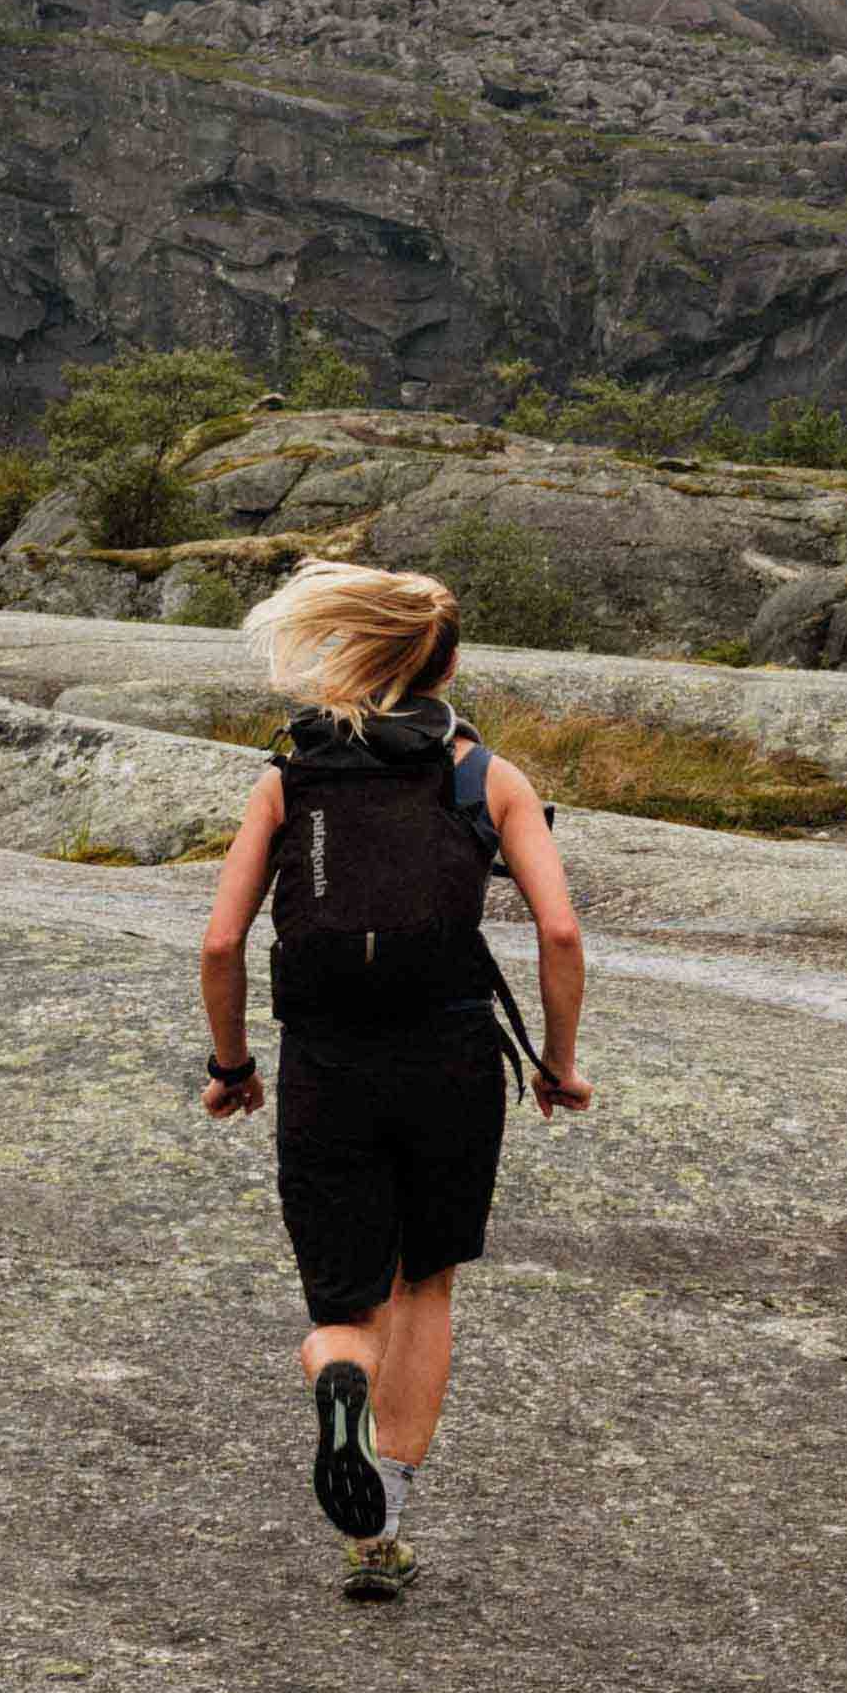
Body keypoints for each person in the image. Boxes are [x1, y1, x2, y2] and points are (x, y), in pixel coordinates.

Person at [192, 562, 588, 1600]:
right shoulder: (485, 776)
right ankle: (380, 1528)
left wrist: (231, 1063)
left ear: (361, 655)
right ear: (446, 665)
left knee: (345, 1297)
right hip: (452, 1054)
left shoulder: (289, 776)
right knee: (426, 1280)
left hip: (325, 1057)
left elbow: (220, 941)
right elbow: (557, 927)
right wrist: (557, 1060)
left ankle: (336, 1372)